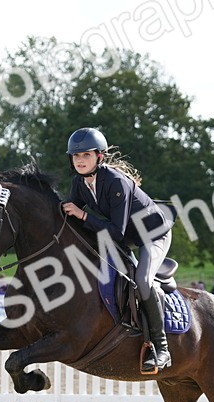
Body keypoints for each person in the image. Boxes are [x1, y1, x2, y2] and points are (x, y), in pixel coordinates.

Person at [61, 127, 175, 372]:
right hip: (127, 237)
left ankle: (162, 348)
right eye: (75, 156)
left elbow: (115, 232)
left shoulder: (115, 182)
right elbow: (72, 221)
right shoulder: (79, 184)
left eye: (86, 155)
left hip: (153, 234)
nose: (80, 160)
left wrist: (82, 214)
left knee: (143, 281)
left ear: (99, 157)